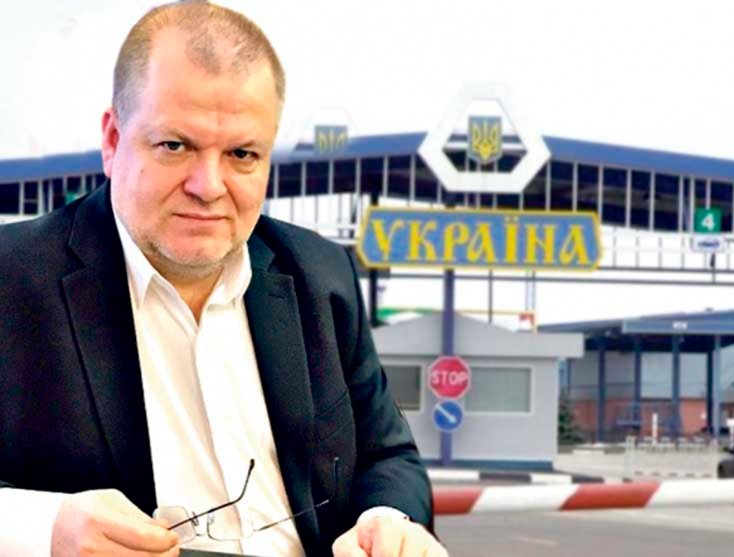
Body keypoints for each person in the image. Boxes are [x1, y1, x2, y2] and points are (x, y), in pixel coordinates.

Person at [0, 2, 447, 556]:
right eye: (175, 146)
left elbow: (386, 456)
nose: (208, 186)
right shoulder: (12, 281)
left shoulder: (319, 275)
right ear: (112, 140)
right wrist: (43, 528)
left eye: (241, 154)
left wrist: (388, 520)